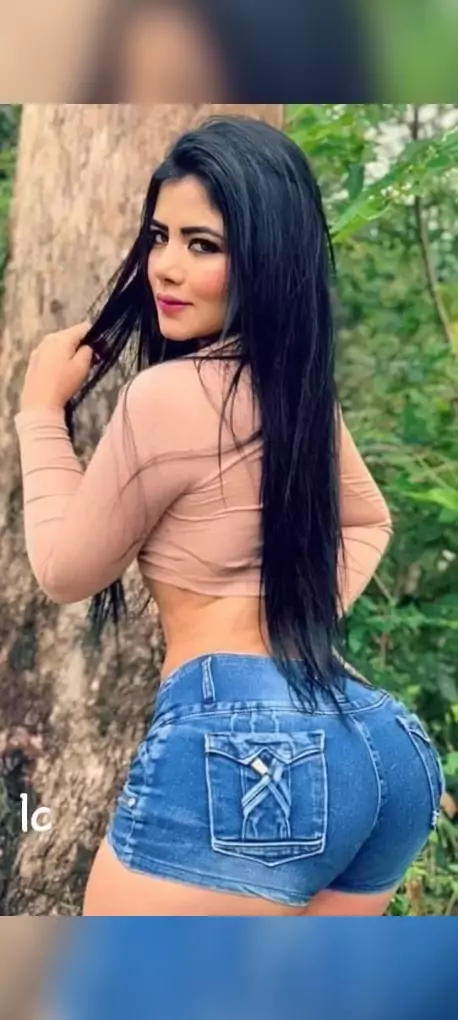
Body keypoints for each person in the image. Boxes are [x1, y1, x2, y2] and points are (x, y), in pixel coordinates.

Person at [15, 114, 445, 916]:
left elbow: (66, 571)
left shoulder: (164, 398)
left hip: (252, 742)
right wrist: (287, 630)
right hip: (382, 748)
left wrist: (39, 412)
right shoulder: (297, 393)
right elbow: (367, 522)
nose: (166, 266)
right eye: (159, 236)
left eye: (203, 244)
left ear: (265, 257)